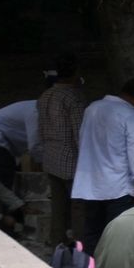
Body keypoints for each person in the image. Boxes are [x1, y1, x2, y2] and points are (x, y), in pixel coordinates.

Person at [72, 79, 134, 256]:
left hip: (91, 184)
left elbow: (82, 139)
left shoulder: (92, 108)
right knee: (117, 233)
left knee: (92, 231)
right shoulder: (131, 116)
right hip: (119, 186)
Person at [38, 53, 87, 244]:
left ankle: (57, 244)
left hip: (51, 157)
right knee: (78, 207)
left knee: (58, 207)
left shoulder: (45, 95)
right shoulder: (73, 97)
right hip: (71, 160)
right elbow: (79, 133)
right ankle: (80, 248)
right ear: (75, 72)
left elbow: (40, 128)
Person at [0, 100, 42, 236]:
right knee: (3, 173)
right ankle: (2, 231)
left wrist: (19, 205)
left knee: (3, 178)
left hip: (3, 143)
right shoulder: (35, 112)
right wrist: (0, 218)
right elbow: (34, 146)